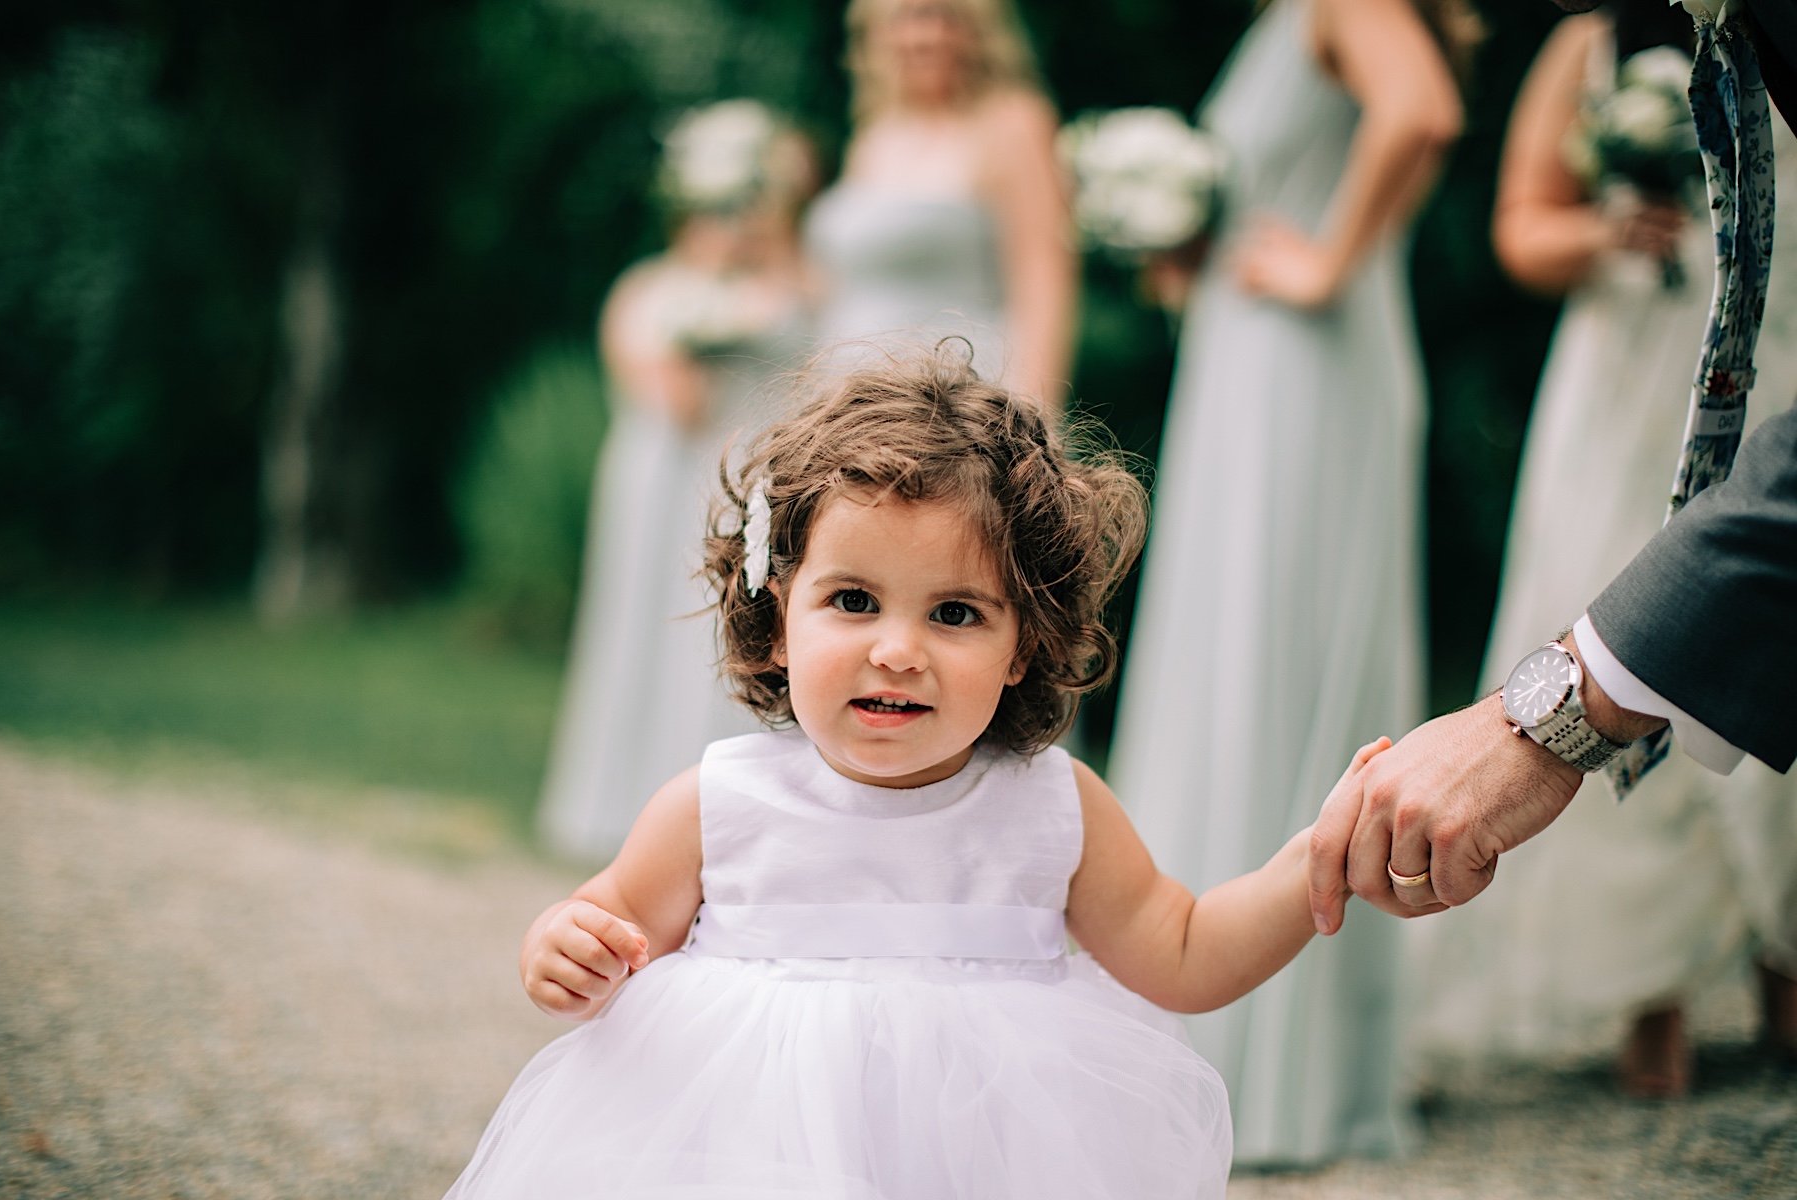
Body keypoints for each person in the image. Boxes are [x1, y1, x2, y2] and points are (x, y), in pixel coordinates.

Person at [444, 350, 1386, 1199]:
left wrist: (1313, 861)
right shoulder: (718, 803)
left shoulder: (1052, 806)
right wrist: (561, 947)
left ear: (1025, 645)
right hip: (752, 1153)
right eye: (853, 601)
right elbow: (606, 927)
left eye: (957, 614)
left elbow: (1181, 952)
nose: (898, 651)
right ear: (778, 621)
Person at [1308, 0, 1797, 1060]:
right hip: (1634, 381)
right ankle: (1643, 981)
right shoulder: (1588, 45)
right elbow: (1520, 230)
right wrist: (1607, 232)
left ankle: (1782, 955)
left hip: (1783, 360)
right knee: (1621, 600)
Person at [1102, 0, 1478, 1166]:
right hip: (1260, 364)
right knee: (1235, 661)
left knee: (1269, 664)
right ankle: (1227, 1042)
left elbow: (1422, 112)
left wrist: (1324, 260)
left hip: (1301, 373)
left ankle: (1268, 1072)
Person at [538, 103, 817, 861]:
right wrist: (707, 329)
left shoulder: (802, 284)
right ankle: (631, 799)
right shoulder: (648, 292)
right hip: (665, 488)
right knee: (654, 628)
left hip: (763, 481)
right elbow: (676, 401)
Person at [804, 0, 1075, 412]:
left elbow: (1043, 279)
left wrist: (1035, 415)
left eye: (941, 16)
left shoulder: (1013, 123)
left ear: (976, 31)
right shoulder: (874, 133)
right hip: (847, 394)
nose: (924, 36)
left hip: (952, 399)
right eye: (904, 19)